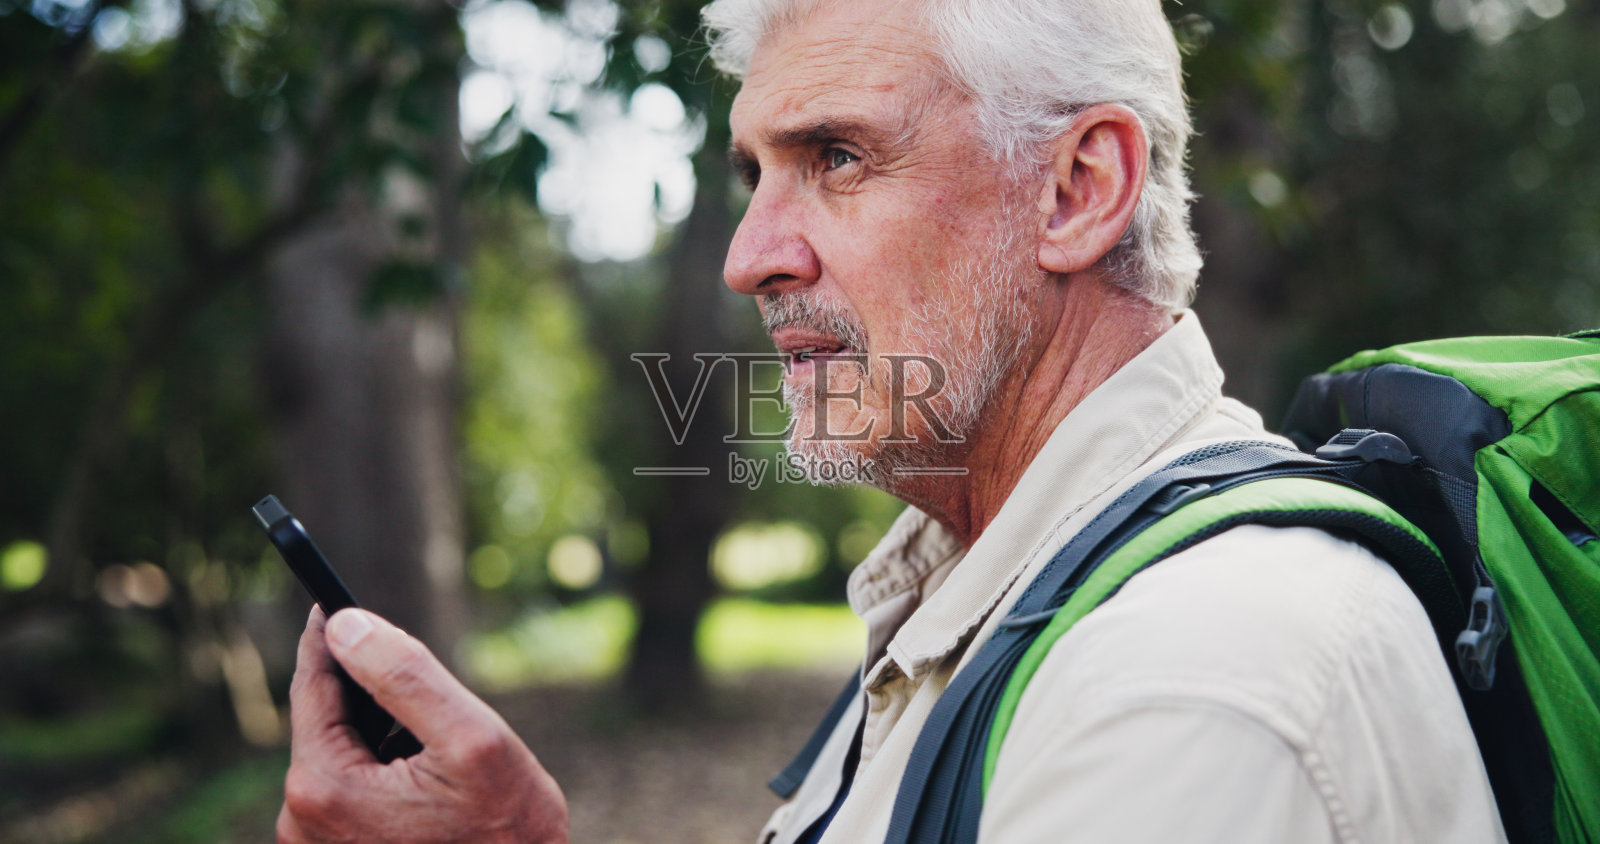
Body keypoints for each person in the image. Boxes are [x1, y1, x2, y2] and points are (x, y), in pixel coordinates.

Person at [275, 0, 1508, 842]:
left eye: (838, 157)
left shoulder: (1187, 682)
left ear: (1077, 191)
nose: (751, 255)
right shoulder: (994, 585)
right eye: (753, 172)